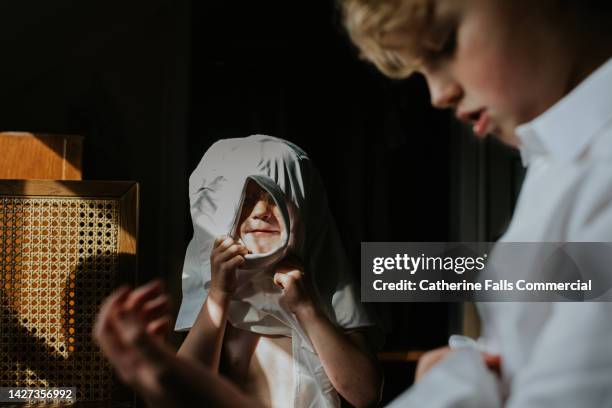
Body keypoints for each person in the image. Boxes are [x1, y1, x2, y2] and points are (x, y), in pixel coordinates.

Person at [339, 0, 612, 406]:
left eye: (444, 44)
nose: (437, 95)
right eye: (421, 69)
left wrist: (456, 379)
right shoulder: (552, 160)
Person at [94, 135, 383, 408]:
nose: (261, 211)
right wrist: (218, 294)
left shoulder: (321, 287)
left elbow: (365, 395)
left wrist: (306, 308)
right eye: (246, 199)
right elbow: (182, 400)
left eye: (274, 197)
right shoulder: (216, 298)